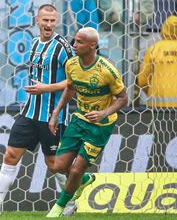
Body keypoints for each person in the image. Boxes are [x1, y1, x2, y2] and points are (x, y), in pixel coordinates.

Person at [0, 4, 73, 217]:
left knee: (54, 165)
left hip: (52, 115)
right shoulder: (33, 43)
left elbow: (74, 80)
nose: (49, 24)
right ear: (37, 21)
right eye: (45, 20)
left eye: (52, 21)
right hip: (29, 112)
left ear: (56, 22)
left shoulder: (63, 47)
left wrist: (46, 88)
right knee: (10, 155)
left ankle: (69, 202)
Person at [46, 27, 128, 217]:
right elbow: (70, 88)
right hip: (79, 119)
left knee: (75, 169)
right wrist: (56, 112)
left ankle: (59, 207)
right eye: (74, 41)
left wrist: (103, 113)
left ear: (93, 45)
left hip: (100, 126)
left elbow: (123, 98)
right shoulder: (71, 65)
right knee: (58, 166)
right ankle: (84, 180)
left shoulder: (107, 70)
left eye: (80, 42)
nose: (74, 45)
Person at [137, 15, 177, 108]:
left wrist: (151, 91)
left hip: (157, 106)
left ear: (164, 28)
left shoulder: (154, 49)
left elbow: (142, 80)